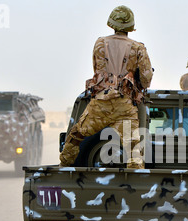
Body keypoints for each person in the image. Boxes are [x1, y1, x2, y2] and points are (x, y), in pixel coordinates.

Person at [59, 5, 153, 169]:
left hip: (100, 103)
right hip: (125, 105)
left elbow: (98, 70)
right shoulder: (138, 48)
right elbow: (146, 79)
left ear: (111, 22)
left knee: (76, 135)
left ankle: (64, 166)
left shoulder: (100, 43)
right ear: (130, 26)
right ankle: (135, 185)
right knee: (133, 151)